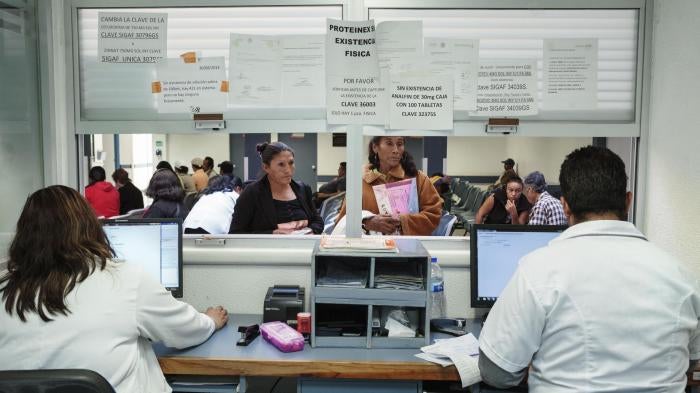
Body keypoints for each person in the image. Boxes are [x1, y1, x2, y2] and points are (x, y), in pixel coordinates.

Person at [478, 146, 700, 392]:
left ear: (565, 206)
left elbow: (497, 373)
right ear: (628, 201)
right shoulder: (683, 279)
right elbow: (689, 363)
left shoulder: (538, 270)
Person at [0, 185, 228, 393]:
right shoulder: (124, 279)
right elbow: (184, 331)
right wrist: (210, 320)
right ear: (89, 227)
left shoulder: (5, 292)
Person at [336, 136, 442, 236]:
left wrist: (402, 221)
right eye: (389, 143)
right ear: (375, 147)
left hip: (406, 250)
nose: (396, 150)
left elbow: (434, 215)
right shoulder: (359, 181)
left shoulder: (419, 179)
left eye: (400, 144)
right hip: (368, 249)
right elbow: (343, 220)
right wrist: (366, 222)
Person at [229, 141, 323, 234]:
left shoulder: (303, 189)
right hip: (269, 248)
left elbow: (317, 221)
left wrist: (309, 231)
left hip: (303, 247)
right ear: (266, 167)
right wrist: (272, 234)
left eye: (291, 163)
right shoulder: (252, 193)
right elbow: (235, 232)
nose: (287, 170)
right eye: (281, 164)